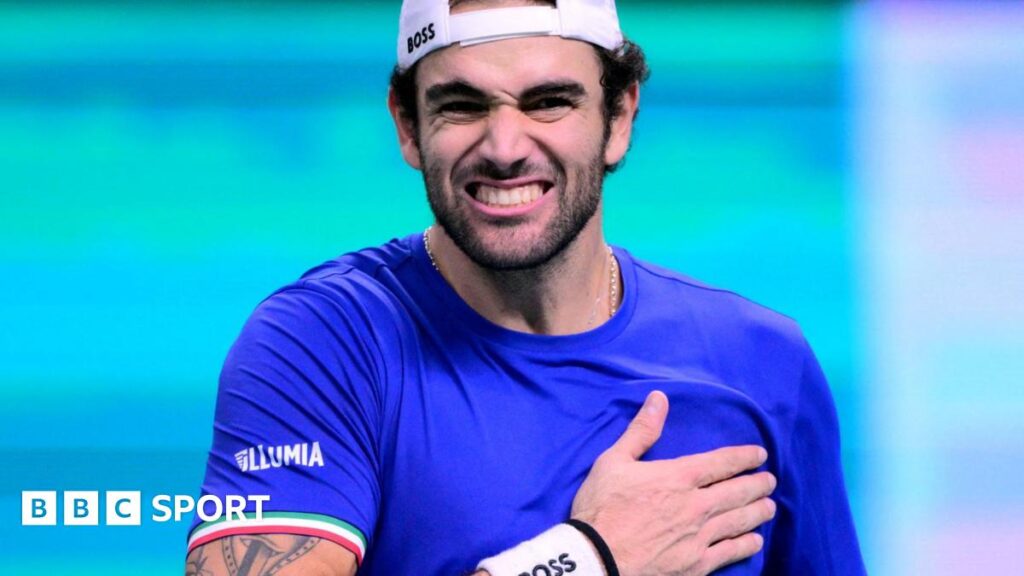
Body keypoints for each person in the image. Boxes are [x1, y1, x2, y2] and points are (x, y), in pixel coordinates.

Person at [185, 0, 866, 574]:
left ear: (619, 116)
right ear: (407, 126)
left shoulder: (762, 362)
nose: (505, 145)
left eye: (548, 102)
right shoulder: (321, 346)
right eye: (461, 105)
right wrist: (585, 558)